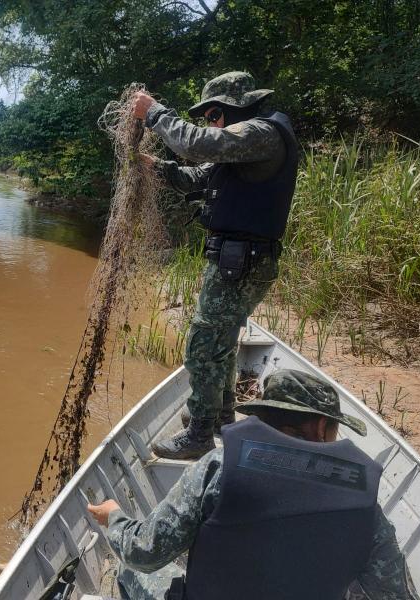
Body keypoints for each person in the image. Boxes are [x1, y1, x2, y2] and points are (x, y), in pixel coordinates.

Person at [88, 369, 419, 600]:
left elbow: (144, 553)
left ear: (264, 418)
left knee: (129, 569)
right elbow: (396, 595)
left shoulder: (218, 468)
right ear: (321, 427)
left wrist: (114, 518)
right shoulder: (363, 506)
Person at [131, 71, 299, 459]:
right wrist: (153, 165)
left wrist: (154, 113)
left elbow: (196, 146)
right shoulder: (241, 151)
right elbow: (194, 178)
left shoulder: (260, 134)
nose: (209, 122)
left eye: (212, 114)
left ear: (233, 107)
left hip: (241, 264)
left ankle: (199, 435)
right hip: (237, 261)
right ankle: (220, 418)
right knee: (220, 345)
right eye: (207, 117)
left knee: (203, 347)